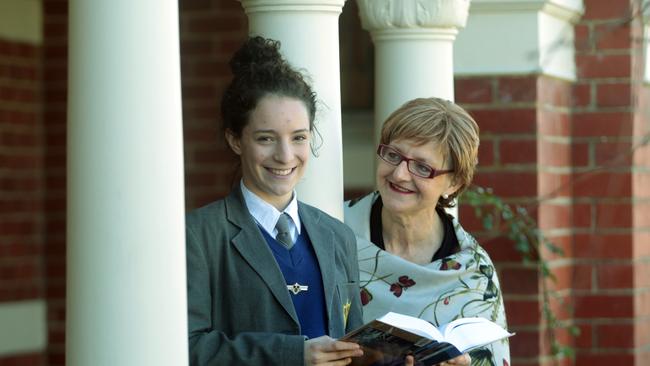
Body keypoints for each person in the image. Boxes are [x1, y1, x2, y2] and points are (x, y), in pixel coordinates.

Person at [186, 36, 364, 365]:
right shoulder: (198, 235)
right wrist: (293, 355)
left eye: (298, 138)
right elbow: (187, 348)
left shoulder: (337, 237)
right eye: (266, 139)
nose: (285, 156)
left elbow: (353, 348)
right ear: (235, 140)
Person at [344, 98, 511, 366]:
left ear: (454, 182)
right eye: (393, 155)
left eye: (422, 167)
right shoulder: (331, 235)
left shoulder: (475, 271)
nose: (399, 174)